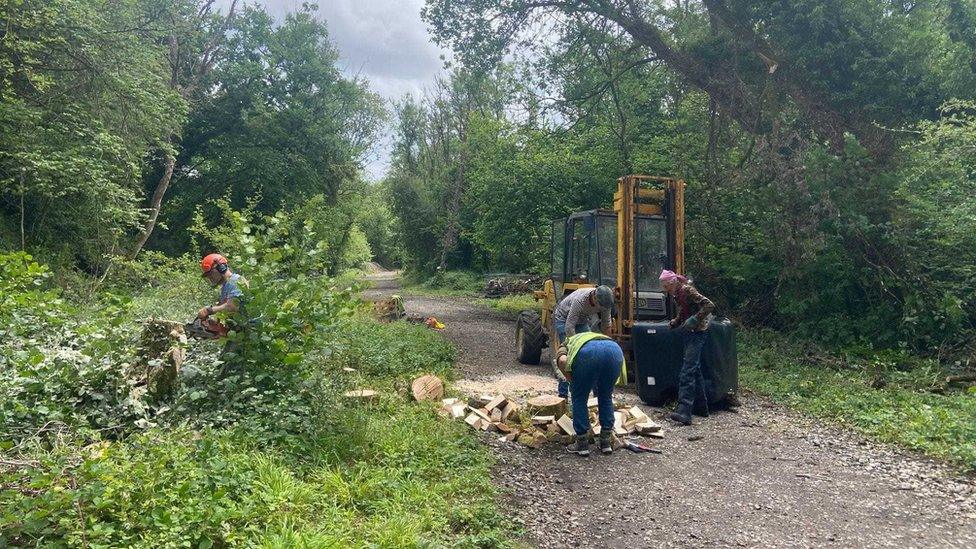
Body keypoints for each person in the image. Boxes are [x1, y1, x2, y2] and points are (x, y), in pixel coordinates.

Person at [555, 331, 625, 456]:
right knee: (605, 397)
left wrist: (572, 381)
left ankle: (582, 444)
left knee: (579, 398)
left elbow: (562, 361)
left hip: (588, 355)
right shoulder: (590, 336)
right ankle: (606, 442)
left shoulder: (565, 344)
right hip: (615, 351)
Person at [660, 269, 715, 426]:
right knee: (694, 370)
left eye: (666, 286)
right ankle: (701, 408)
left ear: (672, 282)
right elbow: (683, 312)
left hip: (698, 332)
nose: (665, 290)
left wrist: (695, 319)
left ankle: (684, 412)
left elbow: (709, 305)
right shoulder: (676, 294)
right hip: (689, 332)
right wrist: (676, 322)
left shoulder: (687, 290)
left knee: (687, 371)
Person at [552, 285, 614, 398]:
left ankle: (598, 394)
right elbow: (569, 327)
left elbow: (606, 325)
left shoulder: (606, 303)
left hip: (582, 321)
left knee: (592, 354)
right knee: (568, 357)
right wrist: (576, 346)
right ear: (594, 297)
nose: (602, 309)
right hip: (563, 319)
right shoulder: (580, 300)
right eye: (600, 306)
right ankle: (563, 395)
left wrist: (609, 345)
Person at [197, 254, 248, 367]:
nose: (210, 278)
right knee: (223, 366)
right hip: (239, 333)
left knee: (229, 369)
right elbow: (228, 313)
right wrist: (215, 327)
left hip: (248, 333)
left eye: (210, 274)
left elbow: (232, 306)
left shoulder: (236, 281)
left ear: (221, 267)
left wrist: (209, 310)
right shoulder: (226, 286)